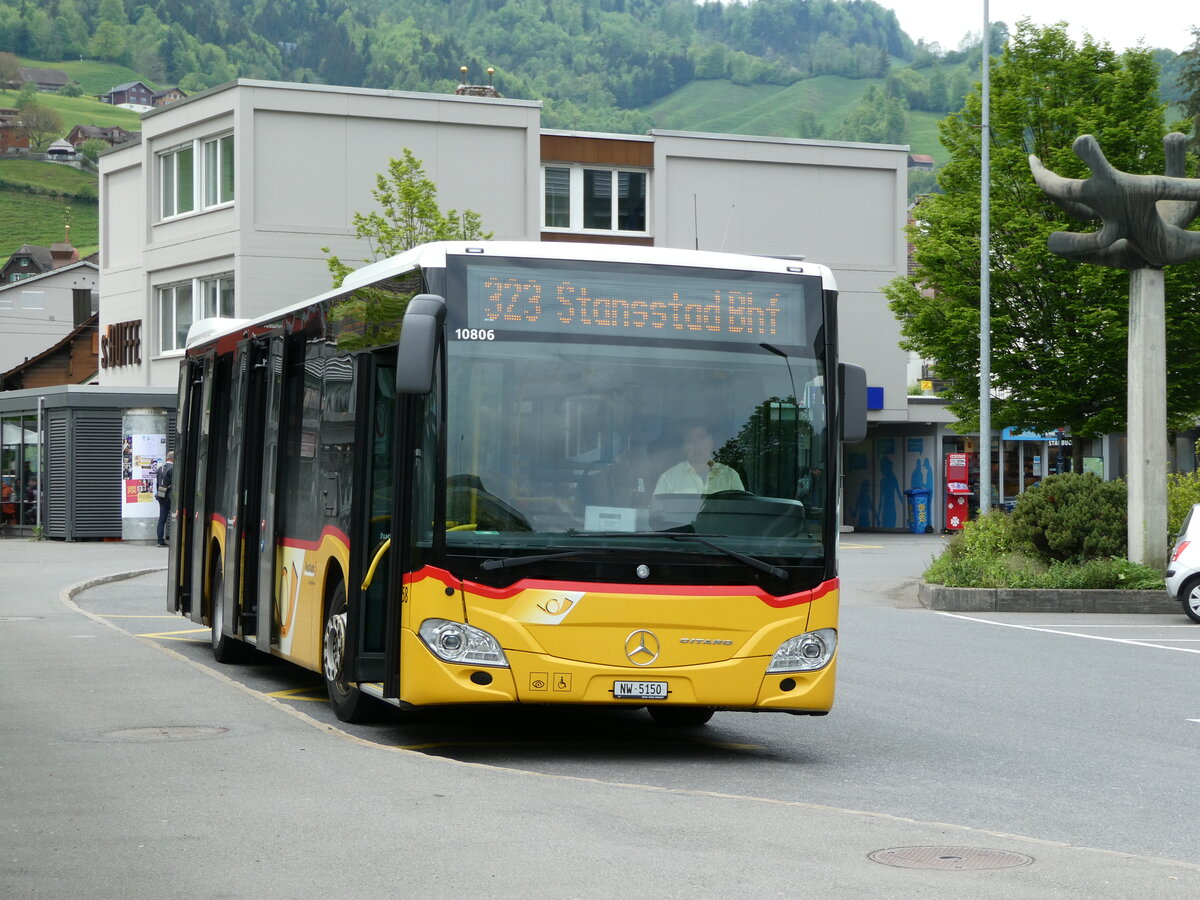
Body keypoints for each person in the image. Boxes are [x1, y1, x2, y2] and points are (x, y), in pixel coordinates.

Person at [653, 424, 744, 496]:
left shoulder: (730, 476)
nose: (697, 446)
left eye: (702, 440)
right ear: (684, 447)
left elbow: (741, 511)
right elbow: (658, 514)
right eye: (691, 441)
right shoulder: (668, 478)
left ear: (711, 443)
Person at [155, 451, 174, 547]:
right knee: (175, 517)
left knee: (162, 519)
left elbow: (157, 484)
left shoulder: (160, 469)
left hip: (161, 496)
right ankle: (175, 539)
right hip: (171, 497)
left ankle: (160, 540)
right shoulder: (173, 469)